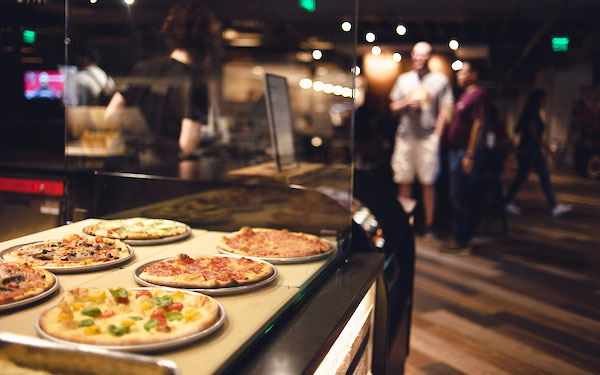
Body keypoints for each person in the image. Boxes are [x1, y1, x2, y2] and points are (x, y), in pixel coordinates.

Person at [104, 0, 216, 161]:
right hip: (163, 172)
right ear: (206, 38)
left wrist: (141, 132)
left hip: (125, 164)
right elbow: (187, 144)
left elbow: (110, 116)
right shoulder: (196, 80)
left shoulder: (143, 68)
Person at [389, 41, 453, 239]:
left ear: (429, 56)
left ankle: (429, 224)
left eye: (423, 55)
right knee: (404, 179)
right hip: (406, 137)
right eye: (416, 54)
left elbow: (446, 110)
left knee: (428, 181)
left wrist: (437, 136)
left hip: (427, 137)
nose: (418, 58)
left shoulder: (440, 80)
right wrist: (406, 102)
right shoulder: (404, 79)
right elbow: (393, 106)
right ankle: (403, 223)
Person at [443, 61, 489, 252]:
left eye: (463, 72)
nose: (459, 75)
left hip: (465, 152)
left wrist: (469, 154)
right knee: (456, 194)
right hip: (455, 151)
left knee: (461, 195)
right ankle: (459, 235)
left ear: (474, 75)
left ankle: (463, 239)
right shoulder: (463, 95)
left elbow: (478, 123)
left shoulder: (479, 94)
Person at [504, 89, 573, 217]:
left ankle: (554, 206)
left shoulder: (531, 113)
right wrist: (549, 150)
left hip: (529, 150)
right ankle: (507, 202)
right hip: (530, 151)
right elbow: (535, 137)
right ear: (538, 99)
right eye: (543, 99)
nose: (544, 101)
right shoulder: (532, 114)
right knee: (527, 177)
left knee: (535, 176)